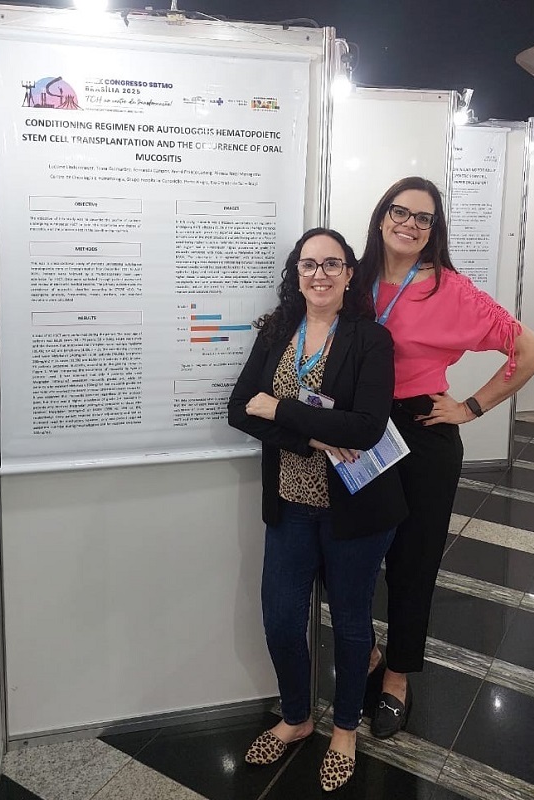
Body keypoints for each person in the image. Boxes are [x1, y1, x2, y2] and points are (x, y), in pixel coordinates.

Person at [355, 176, 534, 739]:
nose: (411, 224)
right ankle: (365, 648)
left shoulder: (451, 290)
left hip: (422, 431)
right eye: (401, 212)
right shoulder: (354, 277)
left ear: (434, 230)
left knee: (414, 560)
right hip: (358, 430)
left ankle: (397, 675)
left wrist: (471, 407)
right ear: (382, 215)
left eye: (425, 218)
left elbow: (532, 350)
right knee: (349, 551)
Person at [228, 228, 408, 791]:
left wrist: (280, 407)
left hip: (356, 508)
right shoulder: (277, 331)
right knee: (281, 617)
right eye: (308, 264)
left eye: (332, 264)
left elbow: (366, 427)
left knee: (351, 624)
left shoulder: (371, 340)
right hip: (290, 504)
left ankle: (346, 729)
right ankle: (297, 718)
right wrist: (311, 437)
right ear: (296, 273)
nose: (319, 274)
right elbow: (239, 409)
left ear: (350, 274)